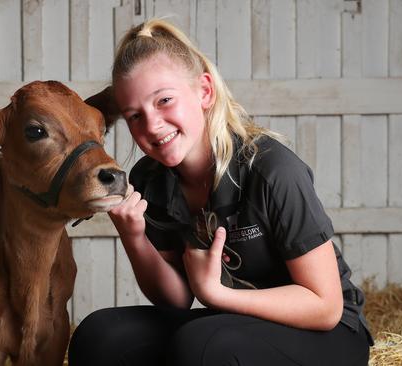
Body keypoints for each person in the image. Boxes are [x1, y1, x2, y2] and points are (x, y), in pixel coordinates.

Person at [69, 18, 373, 366]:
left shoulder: (272, 170)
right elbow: (176, 300)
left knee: (201, 347)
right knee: (100, 336)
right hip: (239, 325)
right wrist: (134, 236)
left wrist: (216, 294)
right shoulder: (151, 178)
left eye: (164, 100)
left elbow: (325, 306)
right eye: (135, 116)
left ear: (204, 92)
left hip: (328, 334)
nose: (151, 125)